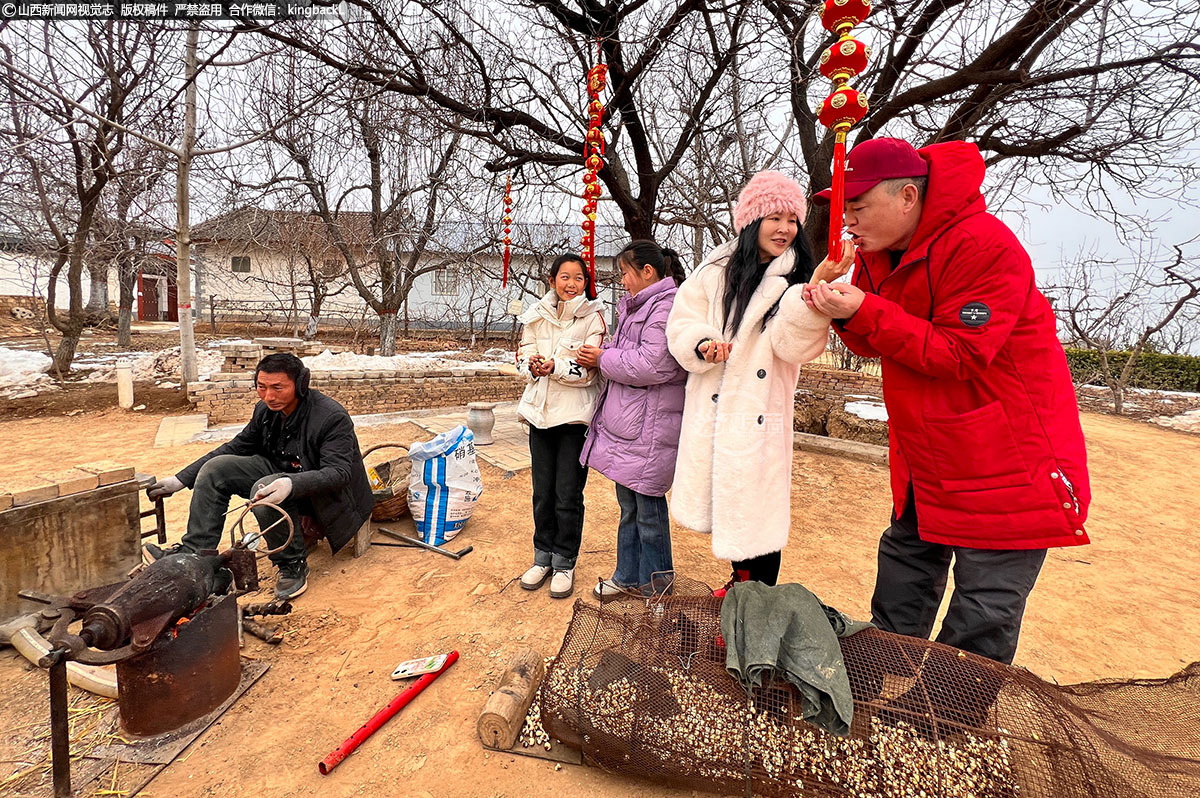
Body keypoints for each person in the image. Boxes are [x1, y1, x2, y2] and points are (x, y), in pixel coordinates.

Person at [806, 137, 1091, 666]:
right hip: (929, 453)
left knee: (983, 607)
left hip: (1005, 458)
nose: (848, 221)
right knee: (904, 571)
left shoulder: (983, 244)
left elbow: (961, 352)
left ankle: (946, 729)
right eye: (844, 208)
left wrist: (864, 310)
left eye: (858, 206)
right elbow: (877, 339)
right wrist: (840, 308)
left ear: (907, 197)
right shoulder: (879, 254)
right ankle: (875, 679)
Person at [665, 171, 853, 588]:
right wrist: (702, 344)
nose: (785, 228)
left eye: (792, 219)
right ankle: (740, 586)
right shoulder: (714, 268)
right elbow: (683, 321)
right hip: (714, 408)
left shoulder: (797, 275)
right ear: (752, 221)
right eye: (775, 217)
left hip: (759, 415)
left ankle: (757, 602)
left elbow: (794, 345)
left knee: (757, 520)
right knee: (730, 509)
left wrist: (816, 285)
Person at [144, 353, 374, 600]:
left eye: (278, 388)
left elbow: (339, 473)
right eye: (261, 387)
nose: (268, 396)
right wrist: (181, 479)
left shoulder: (331, 417)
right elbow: (236, 446)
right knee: (216, 469)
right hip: (279, 475)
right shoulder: (264, 411)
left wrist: (291, 483)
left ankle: (292, 564)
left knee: (263, 490)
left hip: (325, 494)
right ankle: (195, 552)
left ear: (300, 384)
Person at [576, 240, 688, 601]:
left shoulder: (665, 308)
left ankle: (658, 589)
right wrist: (606, 353)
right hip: (632, 428)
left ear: (647, 272)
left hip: (651, 428)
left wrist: (602, 359)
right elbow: (633, 355)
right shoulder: (640, 307)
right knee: (629, 509)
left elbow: (653, 365)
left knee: (649, 515)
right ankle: (627, 576)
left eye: (625, 273)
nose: (622, 281)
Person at [516, 253, 608, 599]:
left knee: (567, 494)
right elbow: (523, 356)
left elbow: (588, 372)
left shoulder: (592, 319)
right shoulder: (535, 316)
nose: (572, 284)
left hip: (573, 419)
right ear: (552, 279)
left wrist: (554, 366)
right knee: (542, 492)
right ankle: (542, 557)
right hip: (540, 416)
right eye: (565, 277)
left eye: (579, 279)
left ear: (587, 283)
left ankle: (565, 562)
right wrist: (533, 365)